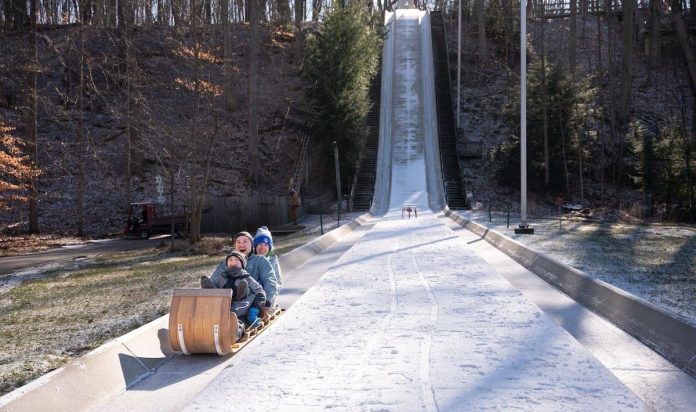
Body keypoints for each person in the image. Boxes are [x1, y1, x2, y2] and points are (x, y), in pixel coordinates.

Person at [201, 251, 267, 335]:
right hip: (222, 306)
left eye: (237, 260)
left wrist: (254, 309)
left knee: (238, 322)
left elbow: (260, 292)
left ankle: (235, 332)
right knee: (215, 291)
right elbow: (213, 283)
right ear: (227, 263)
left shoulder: (246, 277)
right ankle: (212, 292)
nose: (233, 262)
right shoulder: (222, 276)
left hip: (241, 308)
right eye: (230, 260)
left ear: (242, 264)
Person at [209, 231, 279, 308]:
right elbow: (214, 279)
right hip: (225, 300)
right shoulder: (228, 261)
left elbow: (269, 280)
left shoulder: (259, 260)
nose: (241, 244)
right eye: (238, 242)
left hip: (251, 302)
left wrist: (267, 301)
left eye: (245, 241)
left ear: (252, 244)